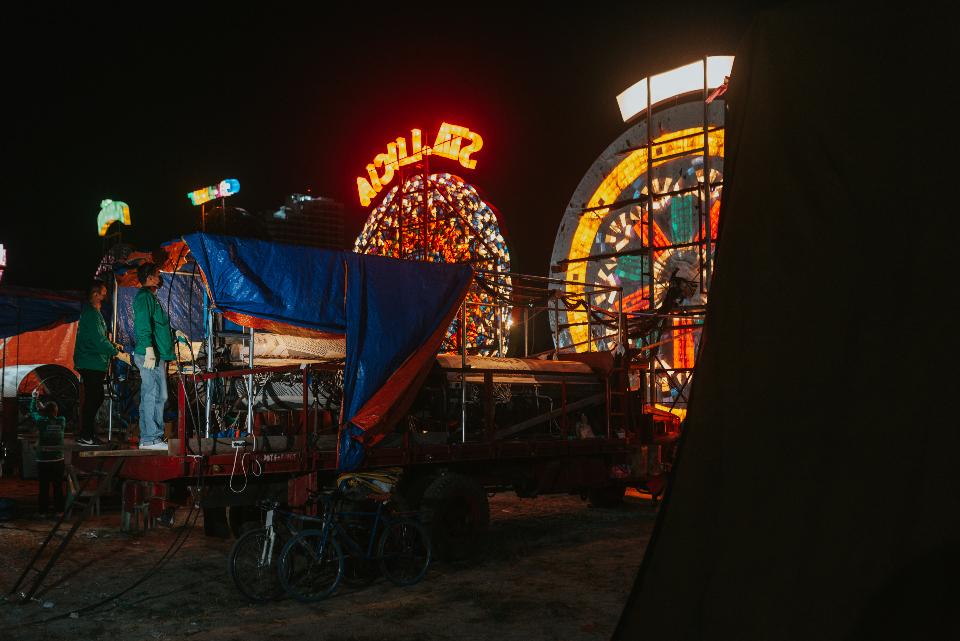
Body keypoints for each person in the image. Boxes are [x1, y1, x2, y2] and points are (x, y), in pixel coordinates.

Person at [72, 280, 121, 446]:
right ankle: (86, 435)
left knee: (96, 397)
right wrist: (115, 352)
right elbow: (98, 340)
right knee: (94, 397)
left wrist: (113, 345)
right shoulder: (92, 314)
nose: (105, 295)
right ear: (95, 294)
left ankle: (88, 433)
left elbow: (99, 337)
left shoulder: (94, 313)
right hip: (90, 362)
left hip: (92, 362)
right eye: (103, 293)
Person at [133, 263, 175, 450]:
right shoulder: (143, 297)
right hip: (150, 355)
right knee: (153, 394)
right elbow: (143, 324)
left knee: (157, 395)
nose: (160, 278)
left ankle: (148, 437)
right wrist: (149, 348)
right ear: (149, 278)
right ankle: (151, 438)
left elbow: (157, 324)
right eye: (157, 275)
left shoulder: (151, 297)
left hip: (157, 355)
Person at [30, 393, 65, 516]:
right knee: (58, 487)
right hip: (58, 460)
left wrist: (34, 400)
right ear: (56, 411)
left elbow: (32, 412)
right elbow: (52, 416)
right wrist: (44, 409)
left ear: (45, 411)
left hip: (43, 461)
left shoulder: (41, 422)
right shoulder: (62, 421)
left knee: (43, 488)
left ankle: (43, 512)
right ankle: (59, 511)